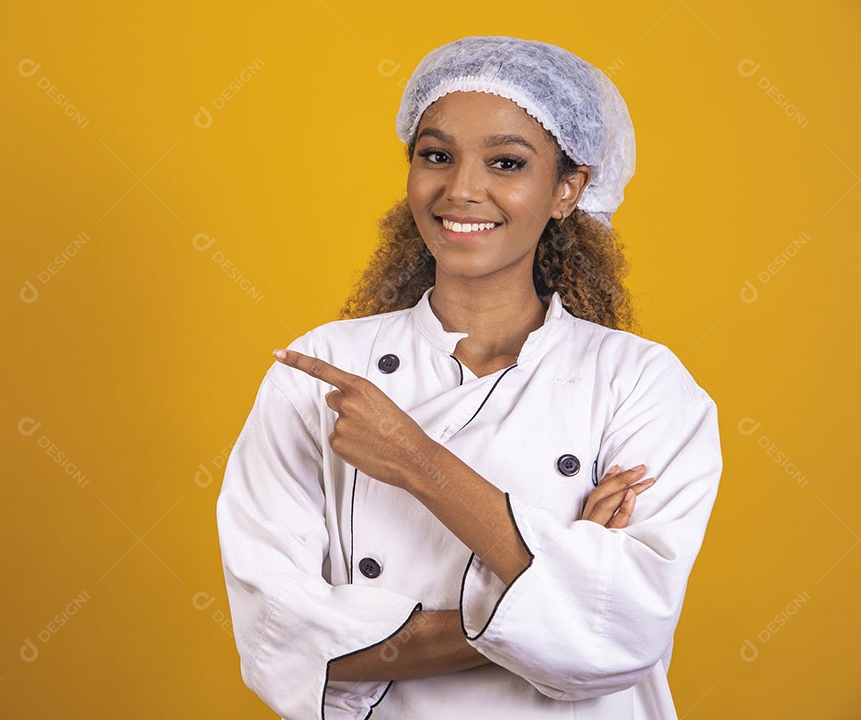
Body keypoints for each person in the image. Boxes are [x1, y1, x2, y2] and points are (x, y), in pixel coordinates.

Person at [216, 35, 722, 720]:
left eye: (506, 162)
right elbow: (279, 640)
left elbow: (626, 635)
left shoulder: (640, 384)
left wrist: (414, 457)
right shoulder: (323, 370)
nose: (460, 189)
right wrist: (553, 601)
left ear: (568, 189)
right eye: (436, 155)